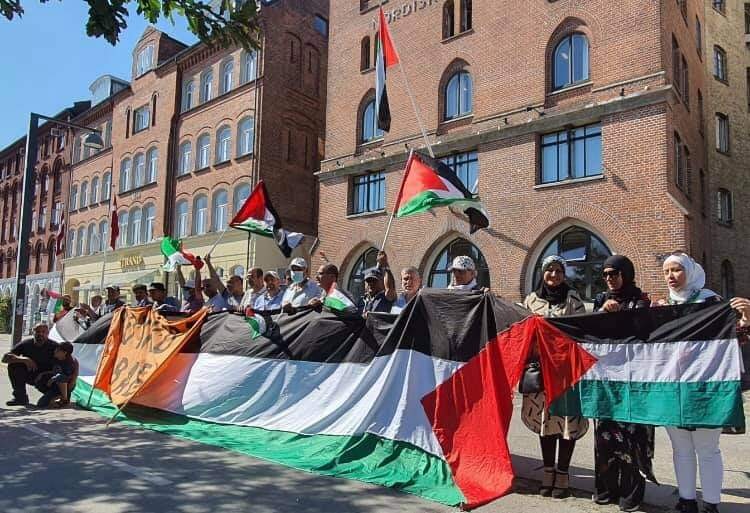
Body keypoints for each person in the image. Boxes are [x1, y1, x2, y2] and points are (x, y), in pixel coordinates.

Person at [659, 252, 750, 513]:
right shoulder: (663, 306)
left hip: (706, 388)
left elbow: (734, 339)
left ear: (690, 271)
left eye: (676, 270)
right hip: (673, 388)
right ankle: (686, 501)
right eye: (666, 271)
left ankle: (711, 504)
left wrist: (746, 319)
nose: (671, 276)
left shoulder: (711, 302)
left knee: (707, 448)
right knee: (681, 448)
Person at [592, 255, 655, 512]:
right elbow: (591, 333)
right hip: (607, 379)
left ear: (626, 274)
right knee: (605, 436)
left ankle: (631, 495)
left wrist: (625, 313)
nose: (609, 278)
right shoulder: (600, 300)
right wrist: (601, 313)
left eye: (614, 273)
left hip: (633, 379)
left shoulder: (641, 300)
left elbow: (644, 333)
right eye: (605, 274)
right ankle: (606, 490)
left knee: (633, 437)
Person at [521, 255, 587, 499]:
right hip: (540, 371)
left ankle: (563, 473)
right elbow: (522, 332)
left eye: (559, 271)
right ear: (543, 272)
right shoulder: (531, 300)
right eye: (550, 270)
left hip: (566, 372)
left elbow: (581, 331)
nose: (554, 275)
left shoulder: (573, 299)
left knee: (567, 422)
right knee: (546, 422)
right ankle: (548, 471)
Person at [2, 323, 58, 406]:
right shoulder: (26, 344)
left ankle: (57, 395)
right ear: (33, 332)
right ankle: (20, 398)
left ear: (48, 333)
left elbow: (67, 365)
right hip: (32, 374)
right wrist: (24, 359)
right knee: (13, 366)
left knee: (43, 404)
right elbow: (5, 359)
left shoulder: (55, 346)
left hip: (48, 378)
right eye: (38, 331)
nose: (40, 334)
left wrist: (44, 374)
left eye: (43, 332)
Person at [36, 341, 77, 408]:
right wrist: (42, 374)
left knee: (61, 377)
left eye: (58, 350)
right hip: (55, 387)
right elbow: (54, 371)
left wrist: (54, 378)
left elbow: (66, 377)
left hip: (66, 386)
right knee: (41, 404)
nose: (55, 351)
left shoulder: (69, 363)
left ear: (64, 353)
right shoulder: (56, 359)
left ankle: (64, 399)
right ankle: (57, 399)